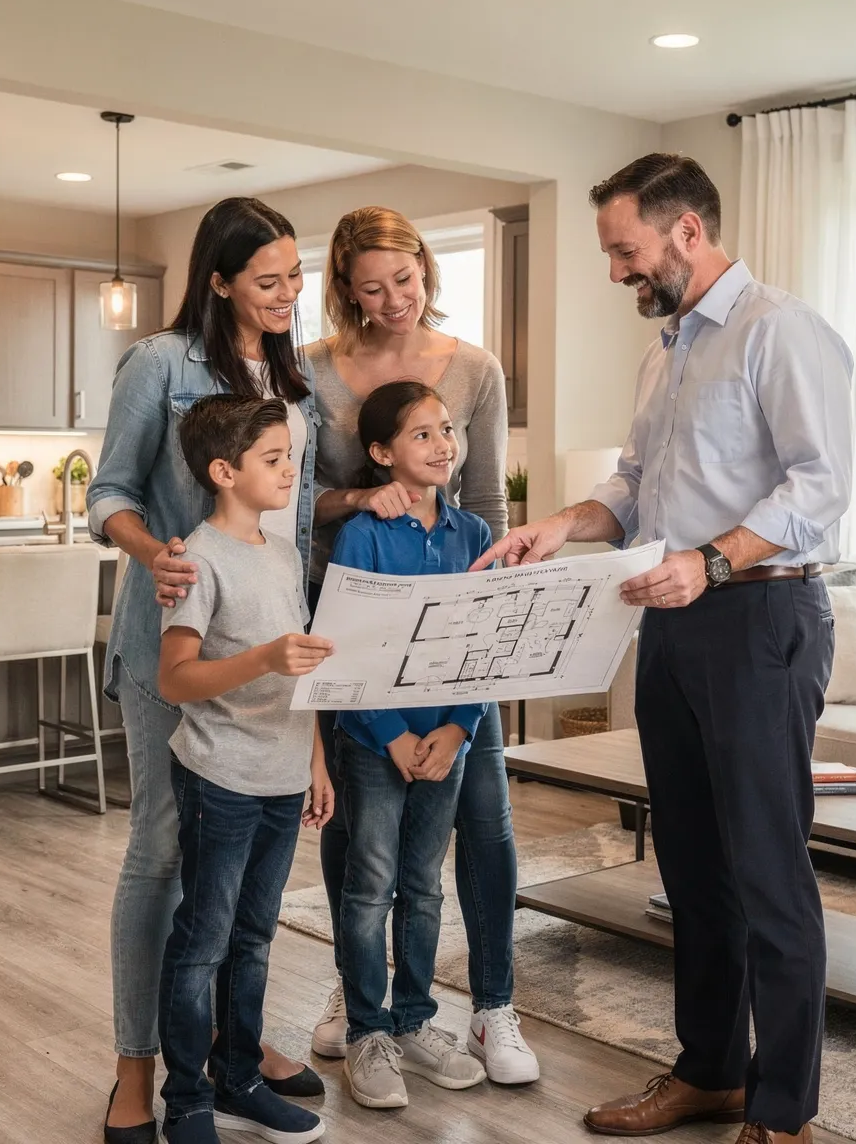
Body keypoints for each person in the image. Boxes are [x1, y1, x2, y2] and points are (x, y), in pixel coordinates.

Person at [474, 154, 851, 1144]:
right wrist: (559, 523)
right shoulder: (665, 351)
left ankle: (783, 1111)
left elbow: (817, 489)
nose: (614, 272)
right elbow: (636, 485)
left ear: (686, 232)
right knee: (689, 866)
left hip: (760, 619)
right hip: (672, 625)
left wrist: (710, 564)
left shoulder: (780, 332)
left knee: (768, 869)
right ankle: (712, 1071)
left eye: (623, 250)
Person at [87, 197, 325, 1143]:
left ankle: (233, 1049)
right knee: (165, 855)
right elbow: (108, 490)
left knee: (248, 878)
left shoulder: (297, 381)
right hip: (173, 648)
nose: (288, 294)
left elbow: (298, 518)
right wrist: (153, 554)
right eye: (268, 280)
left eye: (296, 277)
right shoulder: (160, 363)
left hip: (269, 662)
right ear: (219, 280)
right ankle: (137, 1069)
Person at [301, 206, 537, 1084]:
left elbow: (490, 512)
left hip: (456, 638)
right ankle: (360, 999)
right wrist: (362, 505)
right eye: (372, 287)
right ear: (344, 289)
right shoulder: (312, 371)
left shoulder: (472, 369)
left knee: (483, 821)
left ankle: (489, 1009)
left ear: (426, 271)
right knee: (361, 839)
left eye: (407, 280)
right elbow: (298, 500)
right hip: (353, 621)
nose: (395, 300)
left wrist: (490, 644)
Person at [155, 394, 335, 1144]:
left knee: (256, 934)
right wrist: (261, 658)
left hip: (283, 772)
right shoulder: (196, 560)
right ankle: (187, 1096)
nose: (290, 468)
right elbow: (175, 679)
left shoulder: (283, 551)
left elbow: (304, 673)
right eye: (272, 458)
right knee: (204, 939)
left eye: (289, 454)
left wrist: (317, 760)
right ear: (224, 471)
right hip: (221, 778)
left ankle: (239, 1079)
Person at [328, 381, 494, 1109]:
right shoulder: (362, 534)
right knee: (369, 887)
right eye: (421, 434)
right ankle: (367, 1032)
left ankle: (415, 1020)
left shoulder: (474, 538)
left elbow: (490, 650)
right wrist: (392, 735)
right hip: (375, 744)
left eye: (446, 430)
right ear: (380, 452)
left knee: (423, 886)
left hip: (447, 743)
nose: (442, 444)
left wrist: (458, 730)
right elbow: (347, 651)